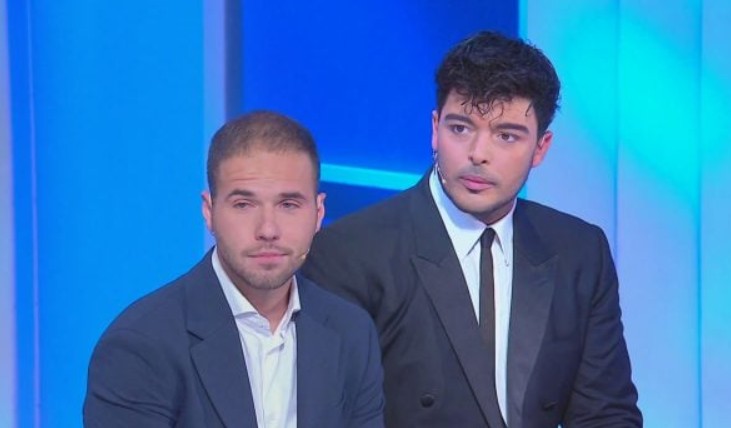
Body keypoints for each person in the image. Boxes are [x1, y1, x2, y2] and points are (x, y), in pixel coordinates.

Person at [302, 31, 642, 427]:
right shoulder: (349, 253)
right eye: (461, 129)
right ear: (435, 128)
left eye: (506, 136)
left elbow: (605, 413)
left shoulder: (578, 251)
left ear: (541, 148)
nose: (478, 154)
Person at [84, 111, 385, 427]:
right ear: (209, 212)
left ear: (319, 212)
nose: (268, 230)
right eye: (244, 205)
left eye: (288, 205)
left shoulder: (351, 332)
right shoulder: (141, 345)